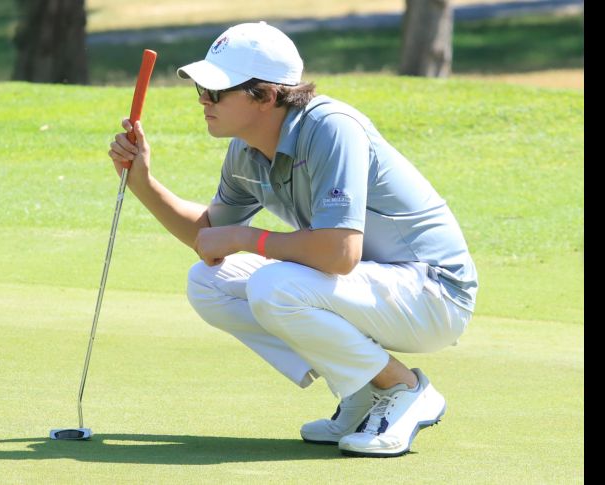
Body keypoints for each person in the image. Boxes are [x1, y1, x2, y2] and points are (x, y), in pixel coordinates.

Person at [107, 21, 477, 457]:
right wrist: (143, 183)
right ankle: (362, 390)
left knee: (272, 285)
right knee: (210, 282)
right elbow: (210, 238)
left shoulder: (331, 128)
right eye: (201, 91)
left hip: (435, 294)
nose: (204, 101)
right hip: (375, 286)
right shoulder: (245, 149)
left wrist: (247, 236)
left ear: (264, 95)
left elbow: (338, 254)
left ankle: (404, 388)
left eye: (216, 91)